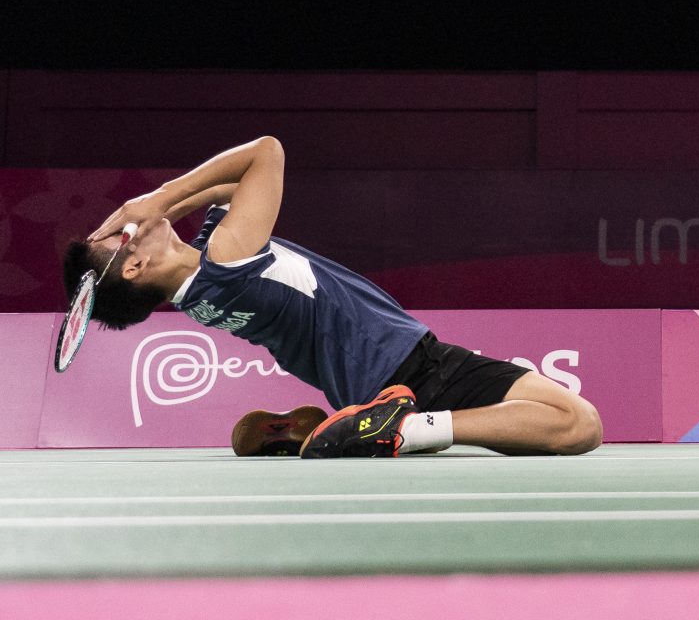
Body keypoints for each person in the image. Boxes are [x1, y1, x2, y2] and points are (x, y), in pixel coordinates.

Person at [67, 137, 603, 458]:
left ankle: (336, 426)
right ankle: (407, 429)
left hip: (372, 380)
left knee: (545, 418)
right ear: (134, 265)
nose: (123, 222)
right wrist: (158, 198)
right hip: (410, 367)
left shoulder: (203, 283)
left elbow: (232, 189)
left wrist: (157, 211)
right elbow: (265, 154)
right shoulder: (225, 263)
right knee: (578, 423)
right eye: (115, 235)